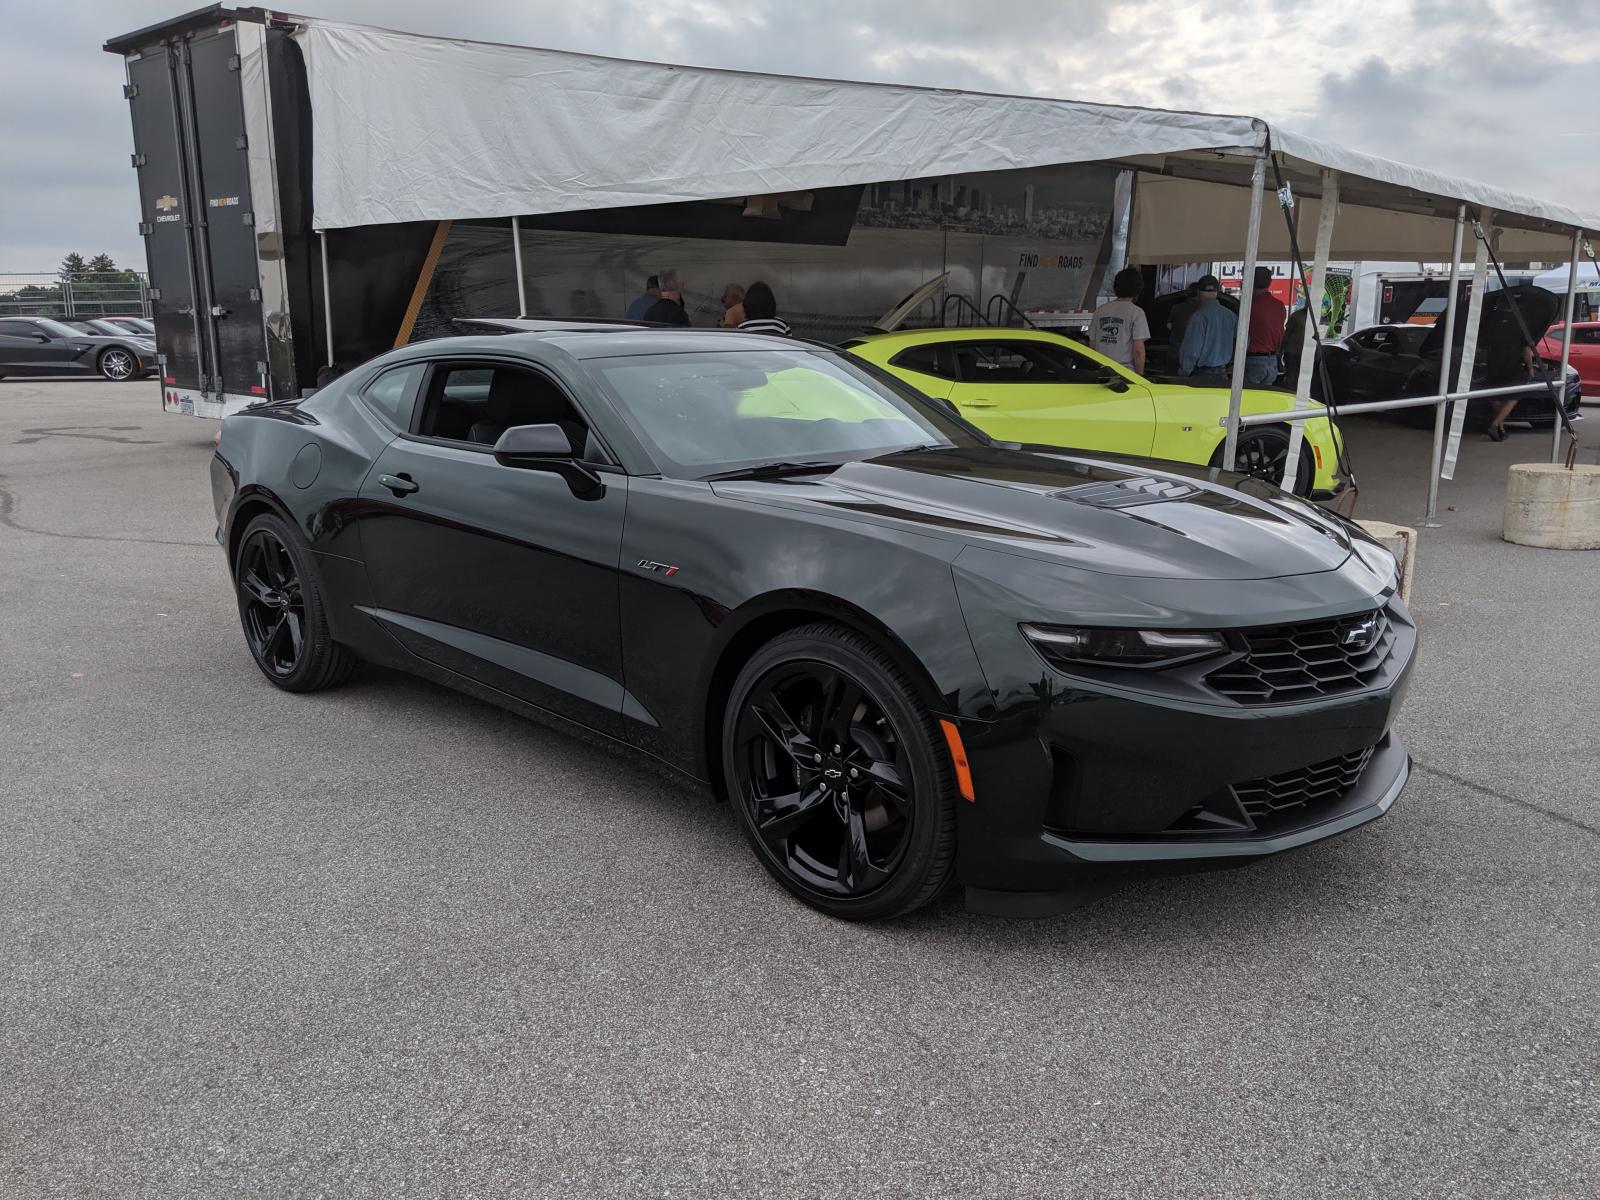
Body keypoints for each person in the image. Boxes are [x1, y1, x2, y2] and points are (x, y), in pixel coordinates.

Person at [1090, 267, 1150, 373]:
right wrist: (1140, 376)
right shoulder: (1137, 313)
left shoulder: (1100, 311)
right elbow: (1138, 350)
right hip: (1125, 372)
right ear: (1138, 289)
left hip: (1101, 371)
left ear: (1116, 287)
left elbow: (1092, 344)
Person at [1178, 274, 1237, 379]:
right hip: (1223, 373)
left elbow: (1191, 349)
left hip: (1202, 375)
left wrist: (1185, 372)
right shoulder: (1230, 315)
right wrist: (1231, 362)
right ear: (1217, 292)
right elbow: (1243, 341)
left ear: (1198, 292)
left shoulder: (1198, 317)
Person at [1244, 266, 1288, 385]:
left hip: (1254, 361)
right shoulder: (1279, 306)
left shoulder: (1249, 307)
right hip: (1272, 361)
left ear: (1250, 281)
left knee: (1248, 400)